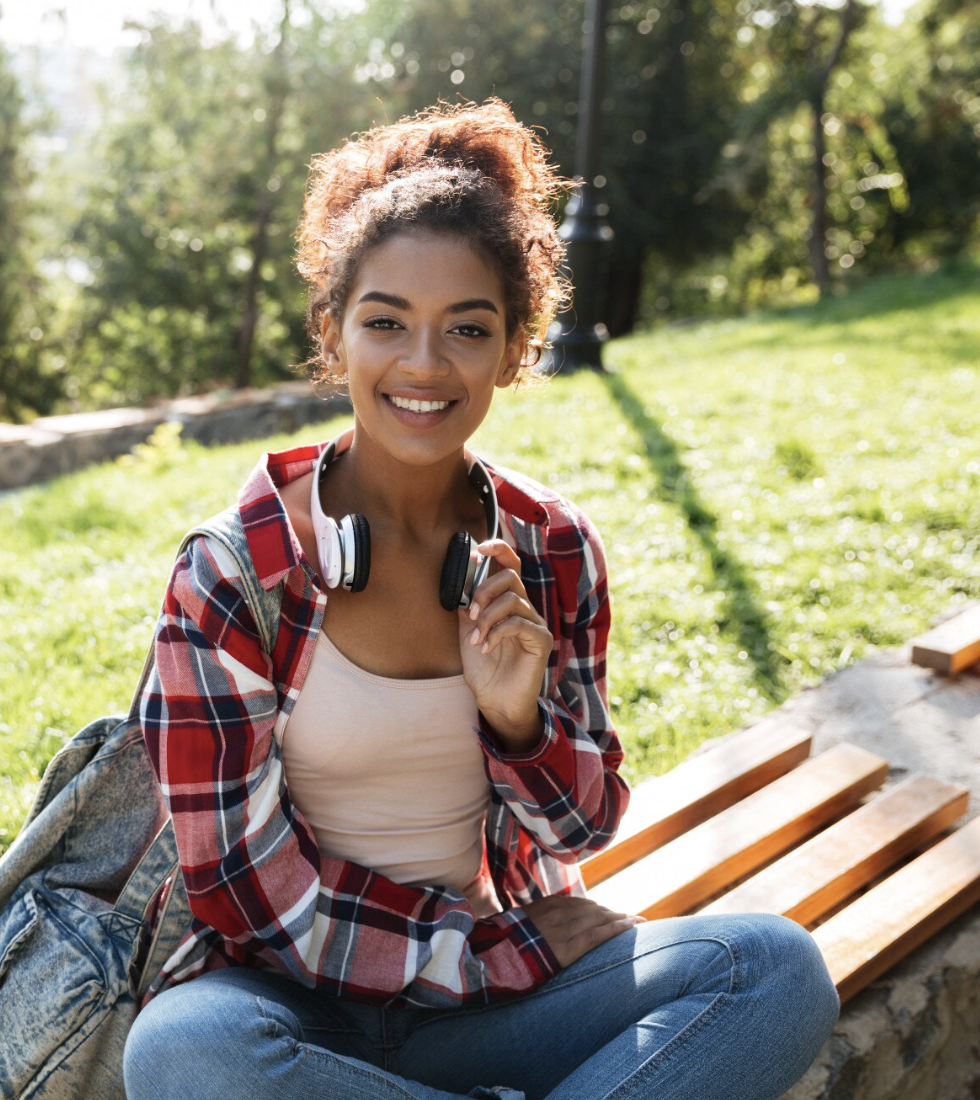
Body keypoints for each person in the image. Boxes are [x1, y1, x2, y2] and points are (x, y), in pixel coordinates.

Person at [125, 98, 839, 1100]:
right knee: (180, 1051)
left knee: (770, 969)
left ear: (513, 348)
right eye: (385, 323)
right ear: (330, 332)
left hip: (492, 1014)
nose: (423, 364)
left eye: (466, 328)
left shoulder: (550, 547)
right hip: (292, 1004)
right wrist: (478, 951)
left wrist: (514, 718)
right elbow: (239, 890)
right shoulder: (234, 571)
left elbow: (582, 827)